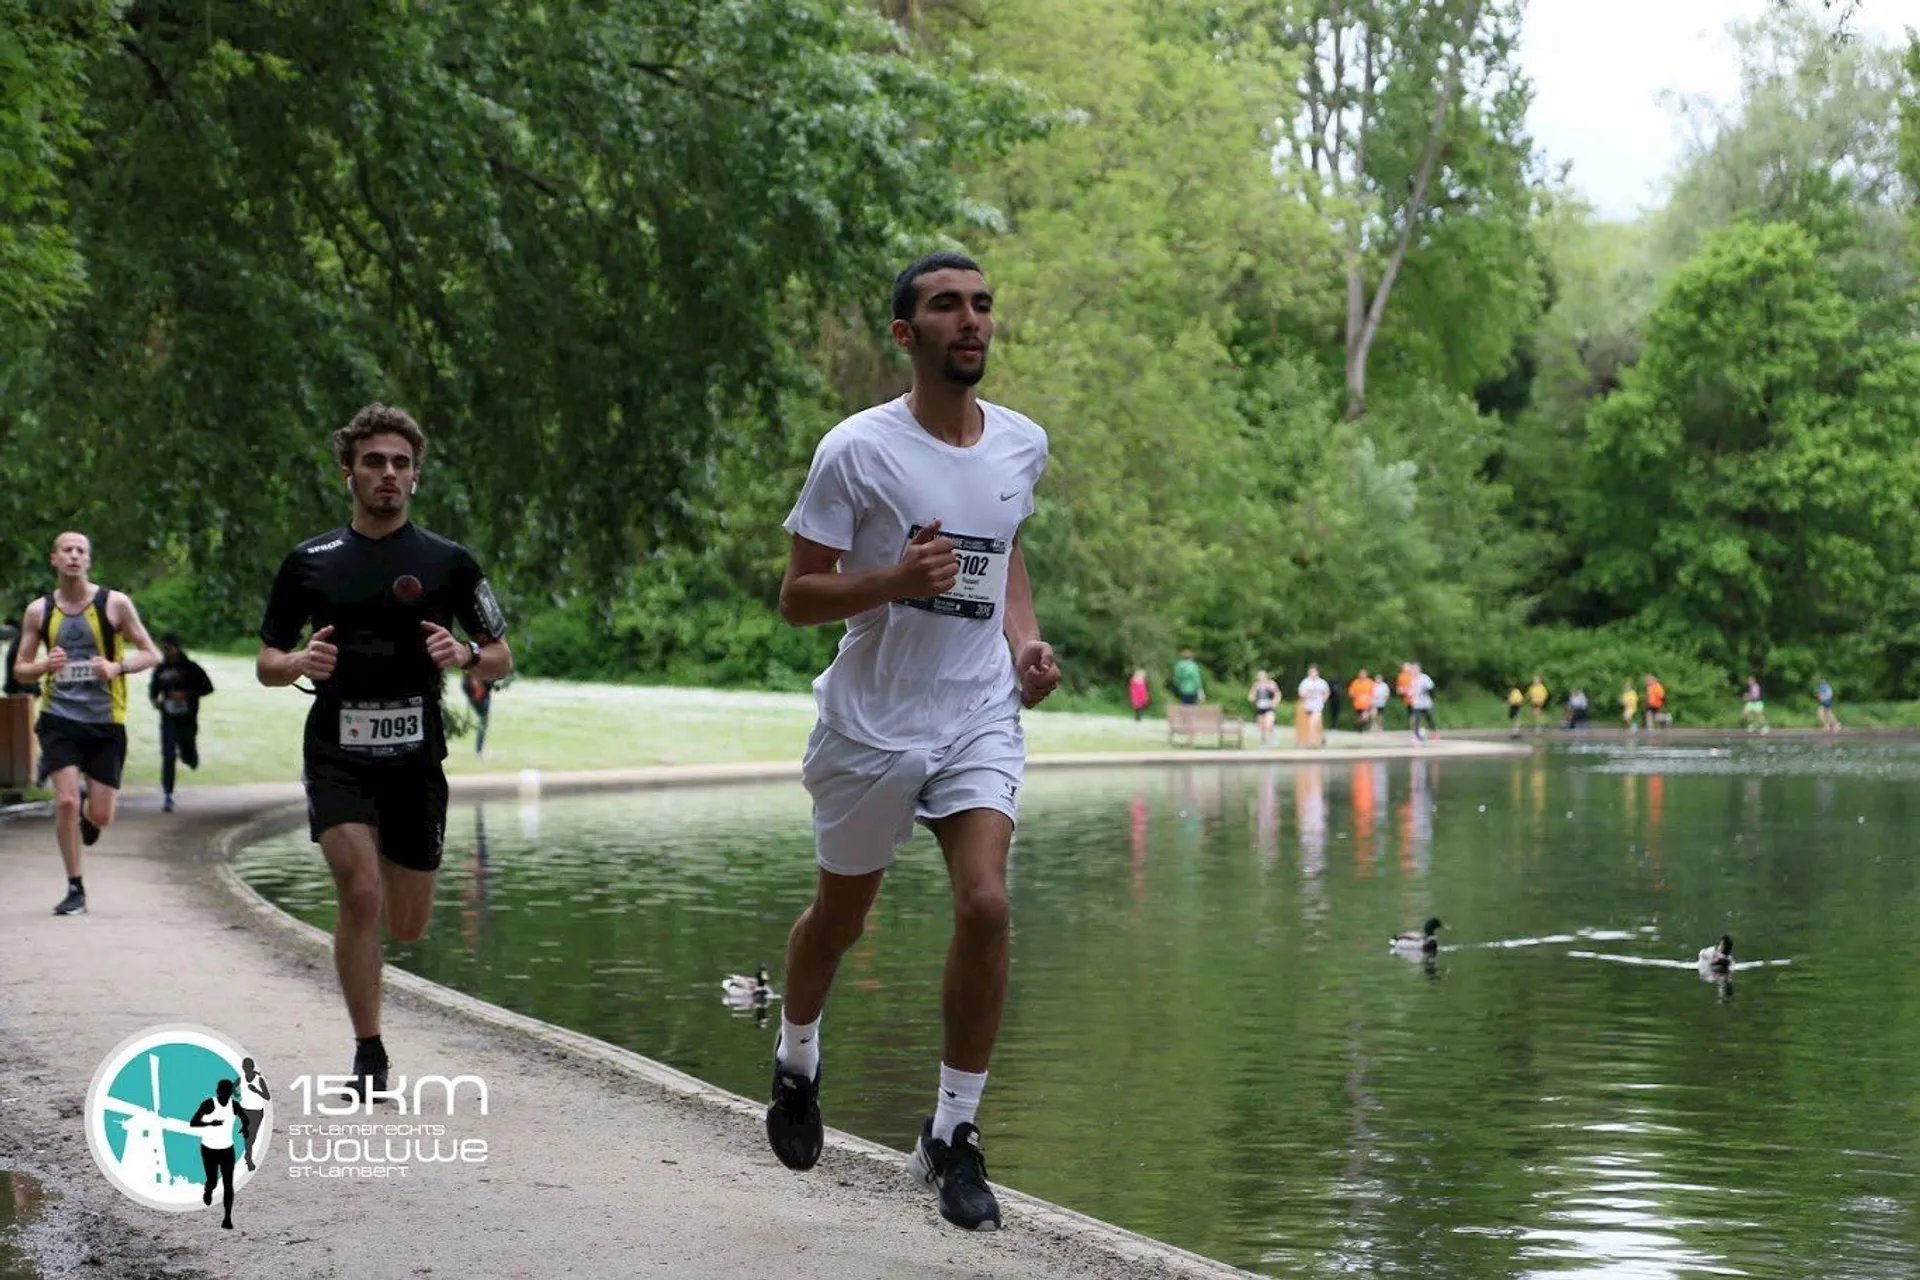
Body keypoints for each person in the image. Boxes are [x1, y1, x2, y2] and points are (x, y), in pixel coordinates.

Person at [766, 252, 1059, 1233]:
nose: (971, 320)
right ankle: (798, 1057)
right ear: (907, 334)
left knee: (986, 902)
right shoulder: (856, 449)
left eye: (982, 302)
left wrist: (1024, 642)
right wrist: (893, 578)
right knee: (838, 923)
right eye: (947, 306)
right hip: (873, 719)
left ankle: (953, 1132)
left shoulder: (1021, 445)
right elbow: (799, 595)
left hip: (976, 708)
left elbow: (1006, 550)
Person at [257, 403, 512, 1103]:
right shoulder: (309, 563)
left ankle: (372, 1018)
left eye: (401, 463)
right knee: (359, 891)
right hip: (336, 749)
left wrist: (463, 653)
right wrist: (298, 661)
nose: (388, 474)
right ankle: (369, 1051)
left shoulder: (448, 563)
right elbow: (267, 661)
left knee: (407, 921)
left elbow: (501, 656)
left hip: (415, 761)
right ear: (349, 473)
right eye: (374, 462)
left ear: (416, 477)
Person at [11, 532, 162, 915]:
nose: (75, 556)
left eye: (81, 551)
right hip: (59, 718)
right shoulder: (38, 611)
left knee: (101, 815)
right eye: (67, 551)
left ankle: (89, 817)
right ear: (54, 559)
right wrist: (45, 666)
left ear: (88, 560)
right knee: (64, 801)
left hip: (105, 723)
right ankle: (75, 887)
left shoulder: (114, 604)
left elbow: (151, 653)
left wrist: (117, 666)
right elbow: (21, 671)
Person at [148, 634, 215, 812]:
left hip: (187, 719)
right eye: (163, 648)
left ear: (176, 647)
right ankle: (168, 794)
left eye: (168, 648)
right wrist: (155, 701)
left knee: (186, 751)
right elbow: (153, 689)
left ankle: (191, 757)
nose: (165, 651)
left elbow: (208, 688)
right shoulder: (161, 669)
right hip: (168, 717)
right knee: (168, 754)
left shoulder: (191, 668)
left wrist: (186, 694)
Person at [188, 1078, 240, 1229]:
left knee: (228, 1184)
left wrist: (246, 1127)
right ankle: (208, 1189)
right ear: (217, 1092)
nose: (223, 1095)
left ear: (230, 1093)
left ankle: (227, 1218)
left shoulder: (235, 1106)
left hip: (227, 1150)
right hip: (209, 1149)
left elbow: (245, 1118)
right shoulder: (208, 1104)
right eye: (221, 1092)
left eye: (226, 1093)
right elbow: (193, 1122)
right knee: (213, 1180)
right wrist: (210, 1123)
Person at [235, 1057, 270, 1172]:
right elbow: (232, 1088)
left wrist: (256, 1091)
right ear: (243, 1068)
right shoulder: (241, 1079)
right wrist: (237, 1095)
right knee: (248, 1136)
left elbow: (267, 1097)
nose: (246, 1070)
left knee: (252, 1136)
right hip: (245, 1111)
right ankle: (249, 1160)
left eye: (248, 1068)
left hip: (257, 1112)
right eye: (245, 1068)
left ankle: (247, 1155)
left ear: (251, 1068)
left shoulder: (259, 1080)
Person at [1297, 665, 1330, 748]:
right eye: (1311, 672)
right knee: (1318, 724)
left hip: (1318, 706)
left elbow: (1327, 692)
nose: (1312, 674)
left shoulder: (1321, 682)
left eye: (1314, 672)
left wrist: (1323, 701)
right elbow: (1300, 693)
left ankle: (1312, 743)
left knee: (1312, 723)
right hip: (1308, 706)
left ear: (1317, 672)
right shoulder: (1305, 682)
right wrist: (1306, 696)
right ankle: (1322, 738)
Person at [462, 670, 494, 756]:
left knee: (483, 721)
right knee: (483, 721)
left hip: (481, 693)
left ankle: (479, 750)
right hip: (478, 694)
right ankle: (479, 751)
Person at [1247, 670, 1282, 747]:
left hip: (1269, 707)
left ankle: (1272, 739)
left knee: (1268, 724)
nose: (1260, 677)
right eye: (1259, 676)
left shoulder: (1271, 684)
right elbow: (1251, 695)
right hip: (1260, 708)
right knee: (1261, 727)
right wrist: (1251, 697)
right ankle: (1264, 743)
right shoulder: (1256, 685)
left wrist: (1275, 702)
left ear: (1265, 676)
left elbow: (1278, 694)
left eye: (1261, 676)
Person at [1407, 663, 1436, 742]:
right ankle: (1417, 736)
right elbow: (1410, 691)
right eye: (1413, 669)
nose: (1414, 671)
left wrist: (1424, 690)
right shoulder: (1411, 679)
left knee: (1429, 718)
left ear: (1419, 669)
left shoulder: (1425, 678)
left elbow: (1431, 688)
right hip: (1417, 703)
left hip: (1426, 703)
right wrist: (1410, 692)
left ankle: (1433, 732)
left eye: (1415, 669)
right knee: (1416, 719)